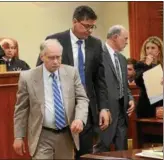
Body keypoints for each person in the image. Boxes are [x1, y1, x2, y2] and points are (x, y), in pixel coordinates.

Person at [36, 5, 110, 159]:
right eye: (86, 26)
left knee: (85, 154)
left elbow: (100, 80)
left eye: (92, 26)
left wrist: (104, 108)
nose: (90, 30)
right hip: (60, 108)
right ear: (75, 21)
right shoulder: (55, 40)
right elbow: (40, 73)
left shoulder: (96, 44)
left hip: (86, 109)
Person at [13, 39, 89, 159]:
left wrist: (79, 119)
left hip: (66, 134)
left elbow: (82, 98)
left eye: (58, 57)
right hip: (41, 135)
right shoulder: (27, 77)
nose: (56, 61)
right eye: (51, 57)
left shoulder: (71, 72)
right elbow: (21, 109)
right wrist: (18, 136)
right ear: (42, 57)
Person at [93, 25, 135, 152]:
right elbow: (95, 83)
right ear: (115, 37)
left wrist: (131, 98)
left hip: (122, 112)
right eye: (125, 39)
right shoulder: (98, 54)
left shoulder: (122, 59)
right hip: (106, 112)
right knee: (101, 149)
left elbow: (124, 84)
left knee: (122, 151)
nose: (127, 42)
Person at [134, 36, 163, 118]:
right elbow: (139, 82)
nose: (150, 51)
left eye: (153, 48)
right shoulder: (140, 65)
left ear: (159, 50)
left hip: (161, 104)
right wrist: (147, 65)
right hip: (146, 105)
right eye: (147, 48)